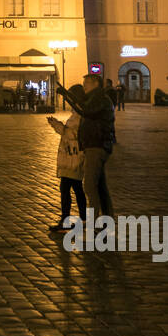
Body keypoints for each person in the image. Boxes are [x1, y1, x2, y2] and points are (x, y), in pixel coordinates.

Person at [58, 73, 115, 216]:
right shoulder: (95, 98)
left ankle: (95, 223)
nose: (84, 86)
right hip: (95, 144)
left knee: (89, 187)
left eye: (86, 83)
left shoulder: (99, 98)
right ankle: (107, 220)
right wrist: (68, 96)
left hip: (96, 146)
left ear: (96, 83)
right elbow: (84, 107)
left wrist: (68, 96)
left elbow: (85, 110)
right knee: (100, 187)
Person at [47, 83, 87, 233]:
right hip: (73, 156)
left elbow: (71, 134)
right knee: (77, 188)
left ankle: (65, 221)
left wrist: (57, 125)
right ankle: (82, 218)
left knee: (66, 189)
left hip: (73, 157)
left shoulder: (79, 114)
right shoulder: (79, 112)